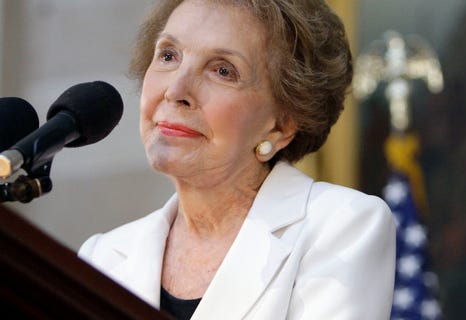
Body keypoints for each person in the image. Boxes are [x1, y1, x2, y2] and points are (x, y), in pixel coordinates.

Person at [78, 0, 396, 319]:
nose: (176, 90)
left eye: (223, 71)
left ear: (281, 124)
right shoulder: (102, 257)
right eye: (168, 55)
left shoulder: (342, 226)